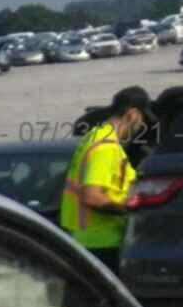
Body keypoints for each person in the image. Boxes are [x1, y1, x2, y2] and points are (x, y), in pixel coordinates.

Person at [60, 85, 154, 275]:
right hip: (102, 244)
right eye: (142, 121)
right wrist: (130, 211)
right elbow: (92, 197)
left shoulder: (95, 137)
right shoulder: (105, 147)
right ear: (132, 115)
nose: (140, 127)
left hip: (90, 241)